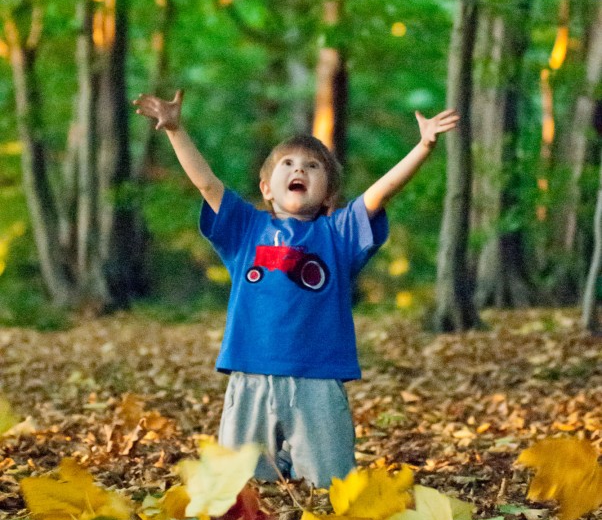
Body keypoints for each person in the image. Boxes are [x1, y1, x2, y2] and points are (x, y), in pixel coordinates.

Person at [133, 89, 458, 487]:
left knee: (330, 484)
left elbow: (380, 193)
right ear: (267, 187)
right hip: (251, 372)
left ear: (329, 195)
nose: (299, 170)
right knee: (240, 487)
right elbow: (207, 185)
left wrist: (423, 146)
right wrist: (176, 130)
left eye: (313, 166)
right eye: (287, 164)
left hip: (318, 378)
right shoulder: (246, 229)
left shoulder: (338, 234)